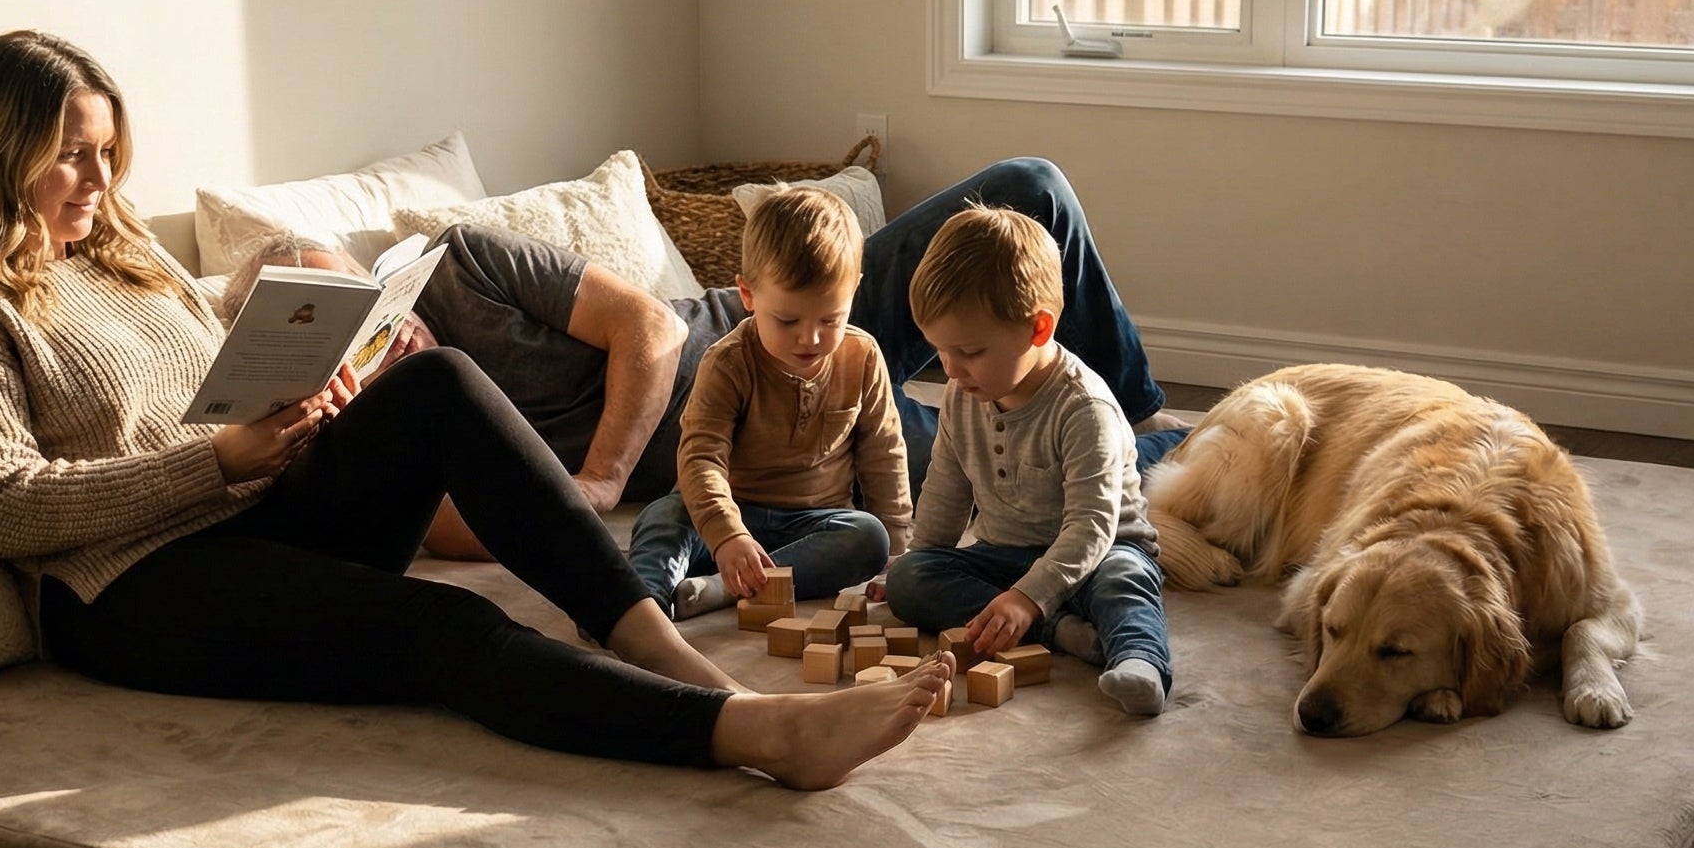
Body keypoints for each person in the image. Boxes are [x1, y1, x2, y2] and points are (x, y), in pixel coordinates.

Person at [0, 30, 953, 790]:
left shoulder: (122, 257)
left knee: (433, 384)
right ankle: (742, 734)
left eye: (107, 151)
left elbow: (213, 398)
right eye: (71, 151)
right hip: (125, 589)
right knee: (446, 626)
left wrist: (304, 406)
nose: (96, 178)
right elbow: (2, 508)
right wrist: (217, 463)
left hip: (251, 508)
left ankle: (676, 660)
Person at [407, 159, 1187, 558]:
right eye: (359, 345)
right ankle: (1179, 444)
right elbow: (459, 531)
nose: (390, 339)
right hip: (796, 451)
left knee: (1030, 185)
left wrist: (604, 478)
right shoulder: (399, 416)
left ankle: (1134, 402)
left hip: (792, 320)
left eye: (373, 307)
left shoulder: (459, 260)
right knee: (1021, 473)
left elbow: (652, 330)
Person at [882, 205, 1174, 718]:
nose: (950, 369)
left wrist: (1029, 596)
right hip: (1003, 554)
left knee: (1124, 585)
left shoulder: (1086, 409)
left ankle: (1140, 661)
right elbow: (947, 489)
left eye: (969, 352)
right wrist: (921, 556)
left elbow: (1091, 527)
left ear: (1038, 329)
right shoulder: (961, 394)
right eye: (939, 351)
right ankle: (1063, 633)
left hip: (1098, 552)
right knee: (911, 579)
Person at [627, 188, 910, 619]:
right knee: (666, 515)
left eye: (830, 319)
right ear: (748, 295)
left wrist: (896, 555)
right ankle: (638, 602)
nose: (810, 339)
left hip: (815, 527)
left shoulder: (863, 357)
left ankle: (727, 588)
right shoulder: (728, 362)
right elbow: (700, 457)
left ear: (853, 291)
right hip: (730, 515)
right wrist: (726, 534)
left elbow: (884, 454)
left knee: (869, 537)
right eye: (788, 320)